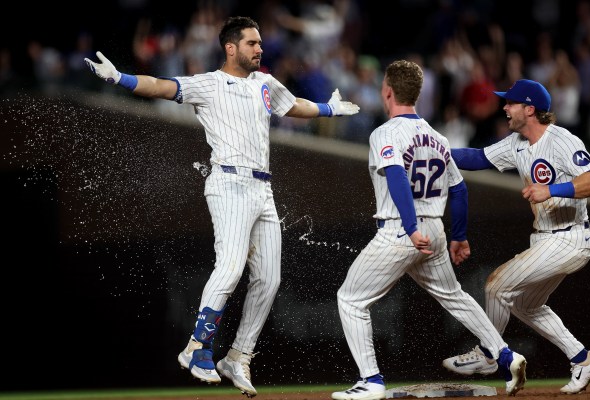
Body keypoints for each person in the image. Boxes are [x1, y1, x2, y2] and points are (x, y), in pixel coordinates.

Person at [85, 16, 359, 398]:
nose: (259, 48)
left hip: (263, 189)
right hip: (228, 182)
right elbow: (162, 86)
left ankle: (238, 356)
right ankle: (198, 348)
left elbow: (291, 105)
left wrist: (328, 110)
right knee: (229, 267)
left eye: (260, 42)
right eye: (252, 43)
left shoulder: (265, 82)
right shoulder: (209, 83)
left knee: (270, 278)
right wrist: (121, 79)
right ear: (231, 48)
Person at [331, 60, 527, 400]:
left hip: (401, 230)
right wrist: (459, 235)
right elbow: (460, 190)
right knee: (455, 296)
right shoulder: (437, 136)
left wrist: (409, 228)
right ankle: (506, 355)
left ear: (388, 90)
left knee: (350, 300)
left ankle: (371, 381)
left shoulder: (386, 132)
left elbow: (395, 178)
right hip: (435, 229)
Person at [443, 79, 590, 394]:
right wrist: (436, 151)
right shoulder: (516, 142)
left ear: (530, 108)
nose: (505, 107)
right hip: (546, 238)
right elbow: (477, 158)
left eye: (511, 103)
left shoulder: (561, 140)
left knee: (497, 286)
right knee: (526, 305)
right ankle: (583, 359)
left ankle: (490, 353)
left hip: (570, 239)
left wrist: (551, 189)